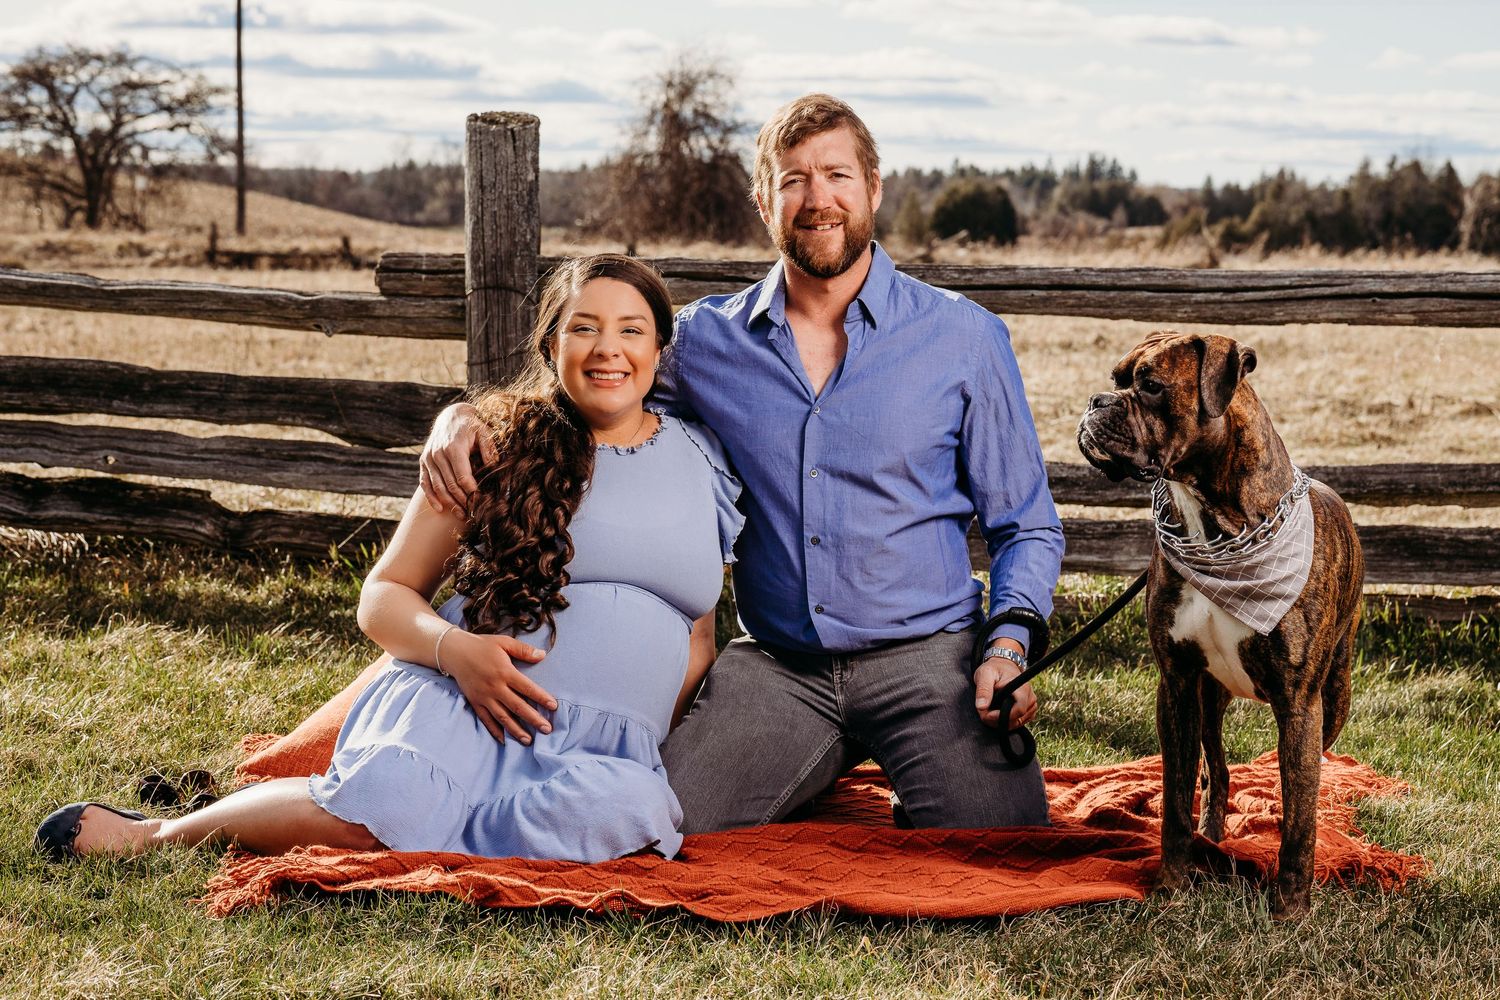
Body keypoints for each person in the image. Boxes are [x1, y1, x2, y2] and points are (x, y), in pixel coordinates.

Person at [421, 94, 1065, 834]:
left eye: (837, 175)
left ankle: (905, 766)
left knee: (1003, 841)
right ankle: (810, 767)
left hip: (931, 656)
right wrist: (465, 416)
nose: (818, 199)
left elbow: (1027, 526)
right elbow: (594, 384)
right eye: (794, 180)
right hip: (781, 667)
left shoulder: (964, 339)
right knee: (668, 824)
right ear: (764, 201)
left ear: (873, 188)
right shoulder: (703, 343)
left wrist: (1007, 647)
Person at [36, 254, 743, 863]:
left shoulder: (702, 460)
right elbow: (384, 595)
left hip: (603, 750)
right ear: (551, 342)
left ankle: (441, 836)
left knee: (626, 818)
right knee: (387, 808)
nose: (607, 349)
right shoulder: (495, 445)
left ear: (659, 349)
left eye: (631, 330)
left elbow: (697, 637)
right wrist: (455, 652)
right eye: (583, 328)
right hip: (464, 706)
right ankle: (161, 833)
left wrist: (651, 744)